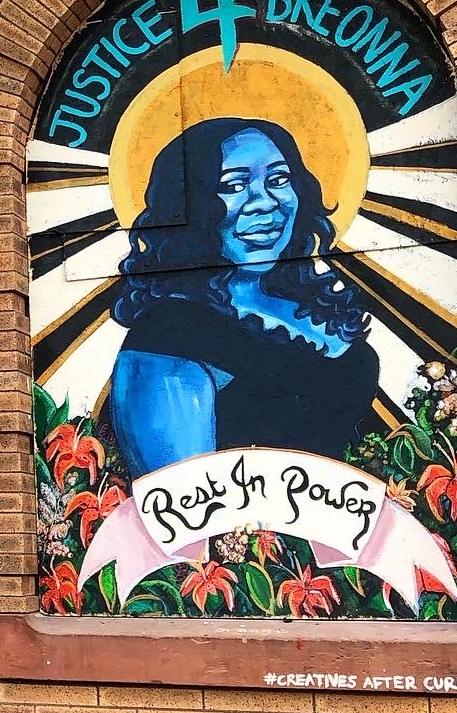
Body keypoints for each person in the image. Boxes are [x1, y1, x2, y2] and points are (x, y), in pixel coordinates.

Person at [109, 117, 378, 475]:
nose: (264, 202)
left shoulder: (313, 308)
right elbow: (180, 502)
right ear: (187, 207)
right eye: (233, 185)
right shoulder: (168, 335)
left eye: (279, 180)